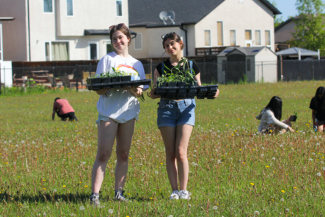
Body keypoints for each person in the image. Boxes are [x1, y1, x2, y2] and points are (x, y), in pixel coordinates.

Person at [149, 32, 219, 200]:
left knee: (181, 152)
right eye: (166, 45)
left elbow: (198, 89)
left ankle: (184, 190)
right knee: (170, 153)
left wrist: (212, 93)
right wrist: (155, 92)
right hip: (166, 109)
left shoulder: (192, 65)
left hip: (186, 109)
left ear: (180, 44)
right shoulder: (160, 68)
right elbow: (154, 93)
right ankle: (174, 191)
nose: (170, 47)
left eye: (173, 43)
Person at [90, 23, 148, 205]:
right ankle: (95, 196)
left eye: (121, 37)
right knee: (103, 154)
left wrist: (129, 87)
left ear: (128, 39)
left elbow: (140, 91)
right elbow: (99, 90)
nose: (117, 41)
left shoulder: (136, 64)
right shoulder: (107, 60)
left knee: (123, 155)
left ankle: (119, 193)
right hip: (109, 112)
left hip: (129, 113)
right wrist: (113, 84)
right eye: (114, 39)